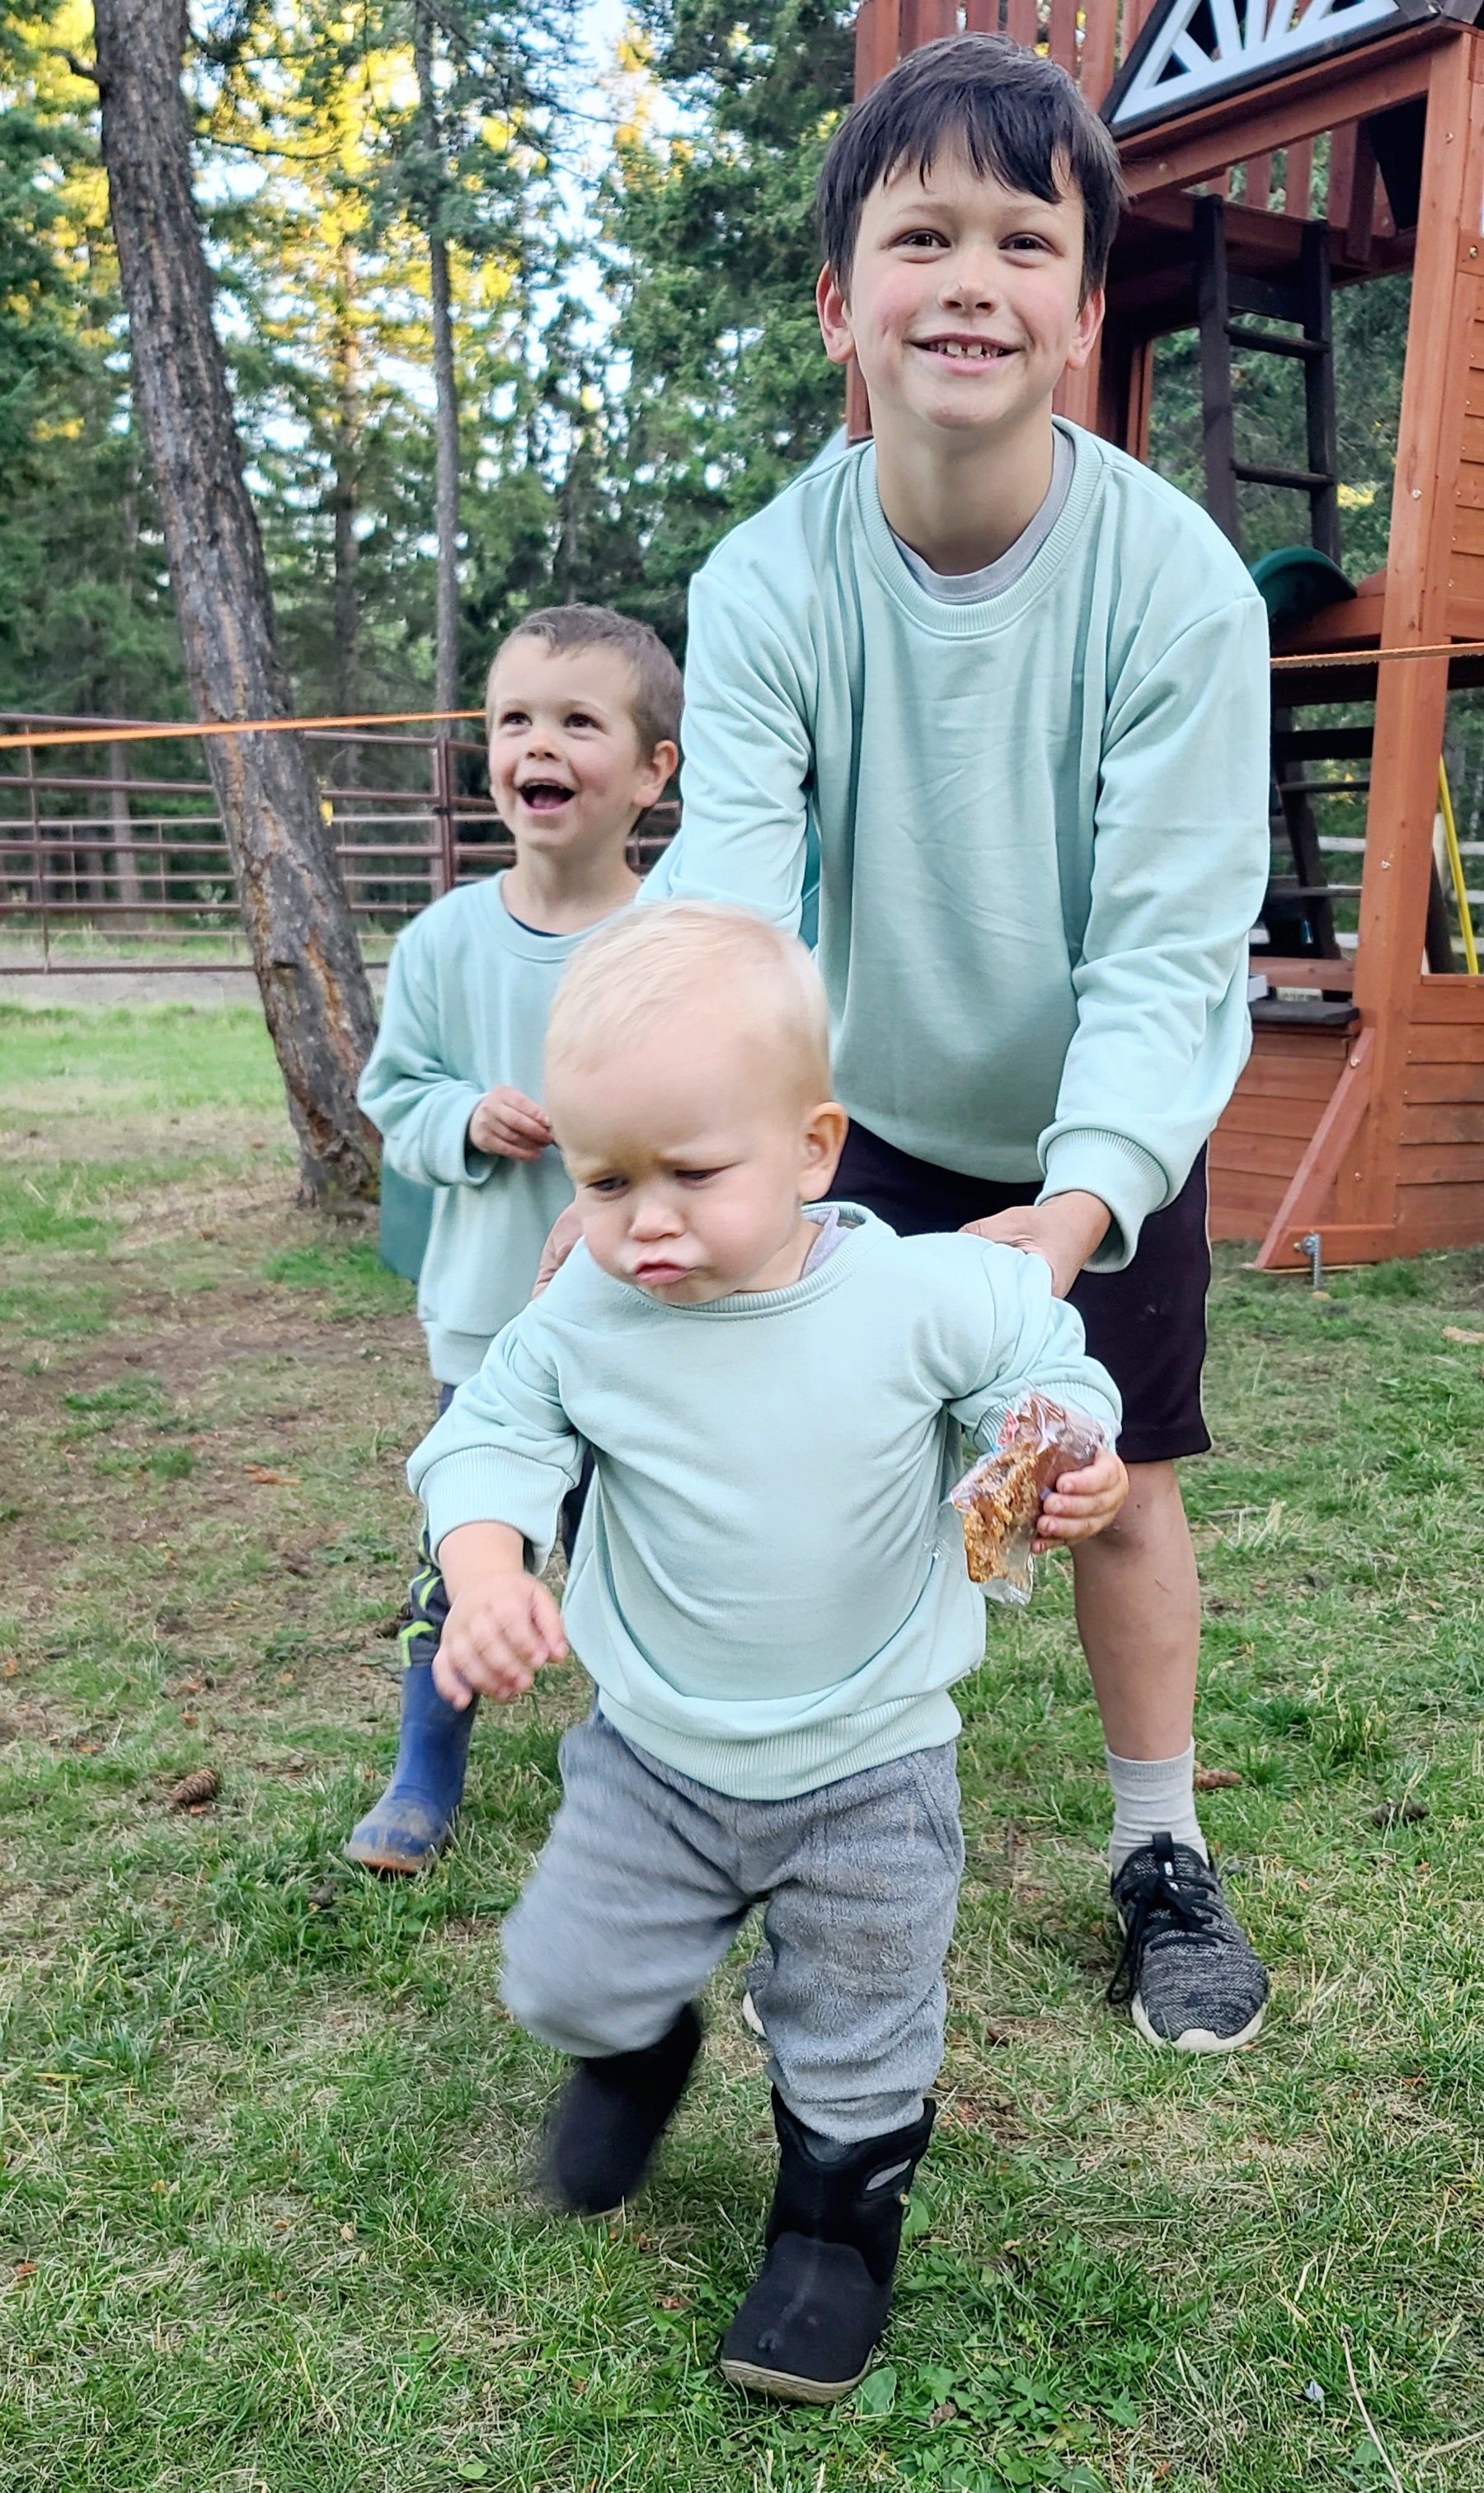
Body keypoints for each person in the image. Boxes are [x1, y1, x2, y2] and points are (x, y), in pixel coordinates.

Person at [641, 33, 1274, 2053]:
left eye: (1026, 238)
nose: (971, 279)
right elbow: (731, 896)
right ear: (843, 304)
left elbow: (1173, 945)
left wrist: (1079, 1211)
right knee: (833, 1487)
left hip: (1112, 1129)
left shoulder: (1178, 589)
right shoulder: (768, 579)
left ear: (1089, 312)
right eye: (921, 235)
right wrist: (657, 1142)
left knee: (1127, 1478)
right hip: (881, 1110)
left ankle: (1159, 1852)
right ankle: (816, 1856)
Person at [405, 903, 1128, 2403]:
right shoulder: (585, 1315)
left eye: (693, 1173)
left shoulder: (920, 1294)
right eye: (605, 1179)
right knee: (564, 1977)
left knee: (860, 2020)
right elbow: (484, 1440)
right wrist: (487, 1566)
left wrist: (1072, 1455)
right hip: (656, 1754)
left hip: (870, 1759)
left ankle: (833, 2234)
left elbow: (1043, 1366)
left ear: (813, 1149)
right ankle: (635, 2048)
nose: (645, 1220)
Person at [346, 605, 681, 1874]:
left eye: (578, 721)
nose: (538, 745)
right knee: (469, 1543)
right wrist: (464, 1115)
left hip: (644, 1316)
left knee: (634, 1559)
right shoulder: (443, 941)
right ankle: (424, 1773)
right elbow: (396, 1094)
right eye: (514, 720)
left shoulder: (672, 942)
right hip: (487, 1317)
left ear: (653, 770)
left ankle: (637, 1780)